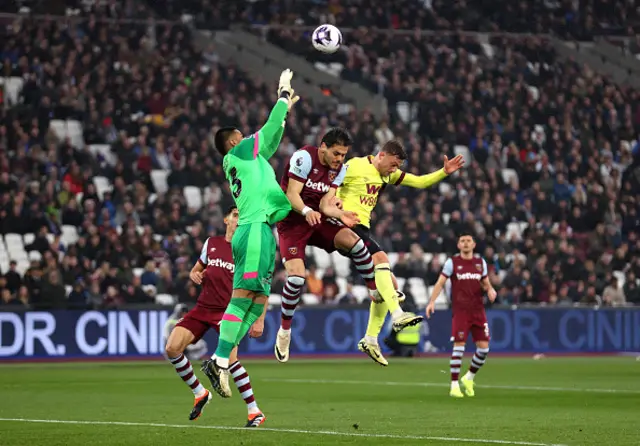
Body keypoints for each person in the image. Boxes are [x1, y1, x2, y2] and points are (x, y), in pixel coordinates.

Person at [274, 129, 422, 362]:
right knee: (295, 279)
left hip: (318, 219)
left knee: (354, 241)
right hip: (292, 222)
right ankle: (284, 330)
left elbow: (325, 203)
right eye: (336, 153)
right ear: (323, 146)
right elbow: (292, 194)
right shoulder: (303, 158)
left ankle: (374, 288)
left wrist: (340, 215)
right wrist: (306, 210)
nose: (339, 159)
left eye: (343, 154)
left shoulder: (339, 169)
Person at [201, 69, 298, 399]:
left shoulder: (251, 160)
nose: (247, 139)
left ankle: (221, 361)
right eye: (242, 136)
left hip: (261, 231)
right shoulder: (238, 153)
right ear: (232, 142)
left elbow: (271, 138)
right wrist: (282, 97)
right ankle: (218, 360)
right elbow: (266, 130)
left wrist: (284, 116)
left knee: (257, 302)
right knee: (243, 296)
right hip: (253, 229)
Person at [336, 140, 465, 365]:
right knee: (382, 258)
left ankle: (370, 338)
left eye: (397, 166)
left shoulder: (387, 175)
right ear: (382, 155)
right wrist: (336, 209)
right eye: (393, 164)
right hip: (344, 226)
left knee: (390, 285)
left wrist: (443, 172)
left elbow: (420, 182)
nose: (394, 170)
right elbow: (331, 185)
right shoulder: (355, 166)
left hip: (362, 230)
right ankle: (397, 315)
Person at [164, 207, 265, 426]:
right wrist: (195, 274)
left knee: (231, 361)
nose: (239, 220)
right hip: (202, 308)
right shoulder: (211, 243)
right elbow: (196, 269)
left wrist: (259, 319)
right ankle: (200, 393)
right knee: (172, 348)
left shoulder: (248, 251)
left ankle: (254, 411)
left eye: (243, 217)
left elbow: (261, 287)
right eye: (236, 215)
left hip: (229, 312)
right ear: (226, 220)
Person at [425, 233, 497, 398]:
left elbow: (485, 283)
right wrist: (431, 302)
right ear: (458, 245)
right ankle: (454, 385)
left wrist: (490, 289)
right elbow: (440, 282)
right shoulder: (452, 263)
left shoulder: (480, 263)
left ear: (473, 244)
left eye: (468, 241)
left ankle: (469, 377)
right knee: (459, 347)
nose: (465, 243)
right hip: (461, 312)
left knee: (484, 349)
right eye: (462, 241)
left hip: (478, 311)